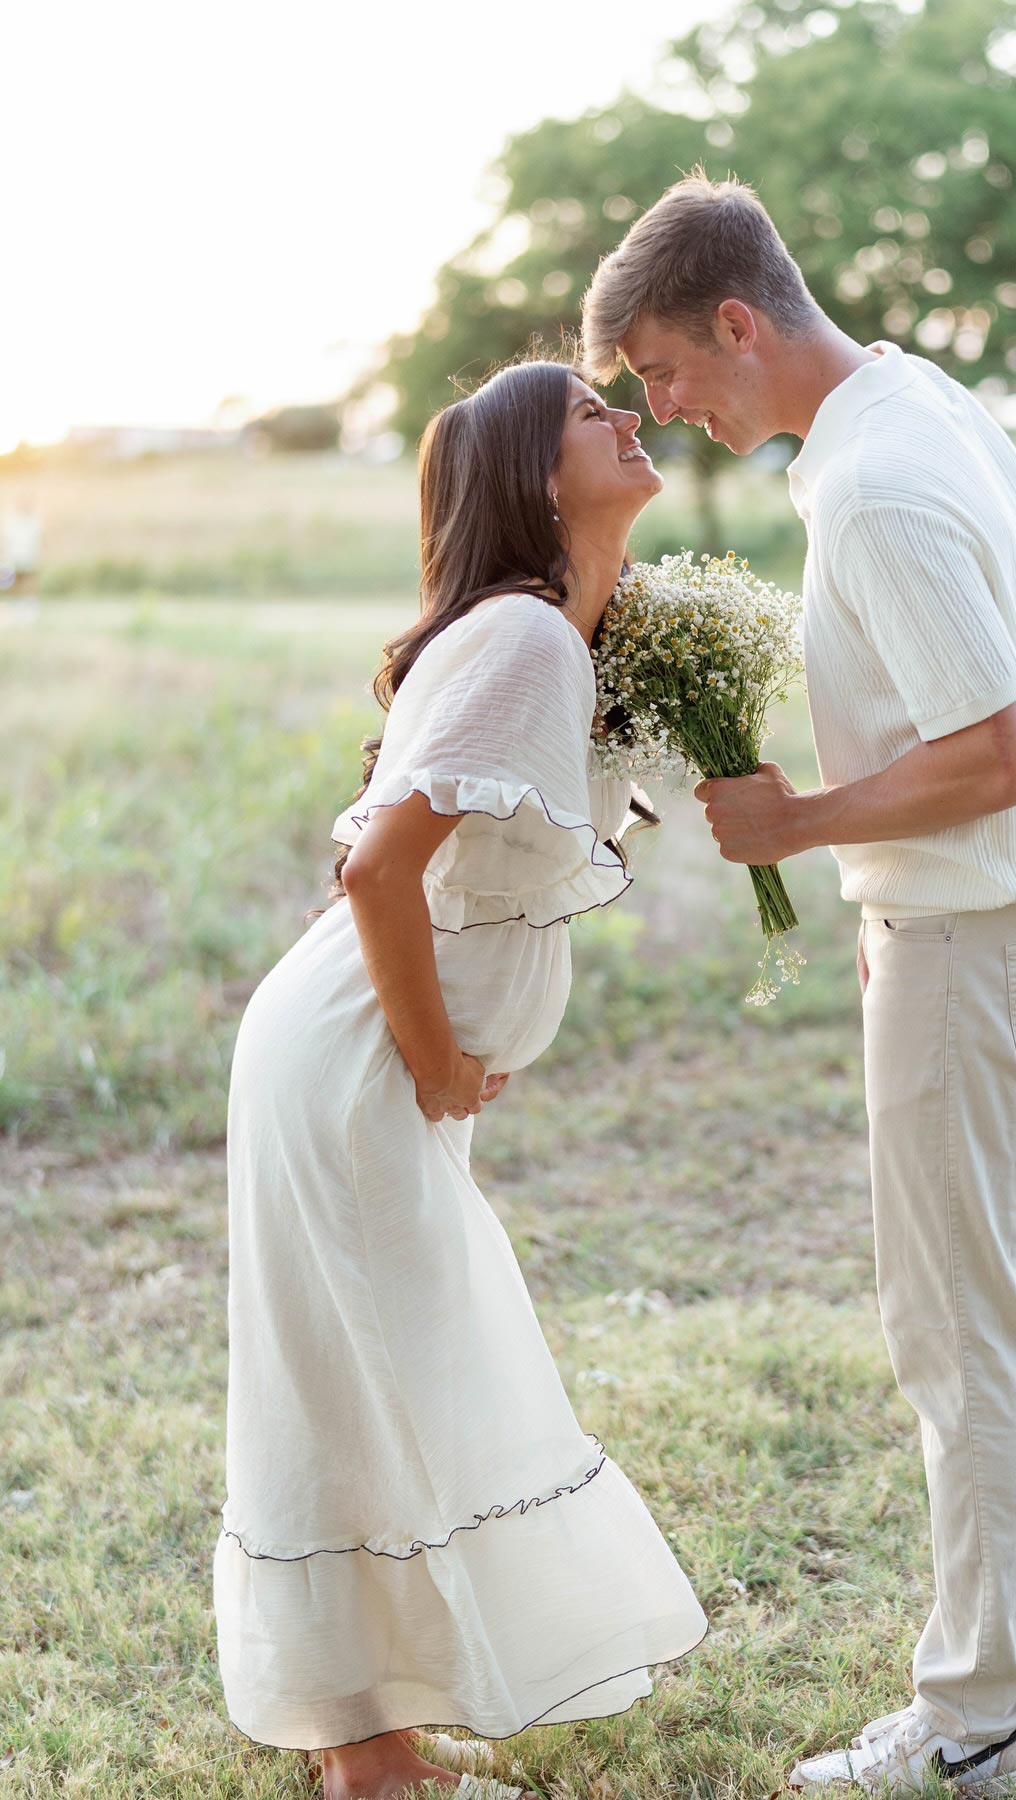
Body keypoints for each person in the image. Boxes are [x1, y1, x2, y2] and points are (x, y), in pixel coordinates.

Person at [581, 172, 1016, 1795]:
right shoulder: (922, 403)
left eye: (664, 374)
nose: (664, 414)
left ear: (739, 323)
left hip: (980, 929)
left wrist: (802, 821)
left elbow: (999, 756)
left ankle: (978, 1721)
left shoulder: (877, 489)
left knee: (953, 1323)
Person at [211, 358, 707, 1800]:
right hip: (364, 1055)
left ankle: (374, 1743)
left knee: (374, 1376)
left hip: (356, 1053)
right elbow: (377, 866)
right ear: (536, 477)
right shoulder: (529, 641)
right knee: (383, 1379)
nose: (632, 421)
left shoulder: (561, 636)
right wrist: (435, 1060)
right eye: (592, 416)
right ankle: (370, 1763)